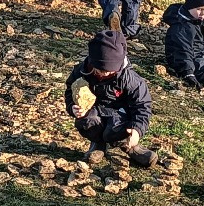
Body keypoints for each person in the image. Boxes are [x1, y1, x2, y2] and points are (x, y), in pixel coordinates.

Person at [65, 29, 156, 167]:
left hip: (121, 114)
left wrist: (137, 129)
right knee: (87, 121)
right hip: (96, 110)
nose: (104, 73)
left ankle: (130, 146)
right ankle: (97, 143)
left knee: (113, 129)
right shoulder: (83, 71)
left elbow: (142, 105)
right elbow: (70, 89)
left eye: (109, 70)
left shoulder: (130, 79)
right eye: (100, 70)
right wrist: (72, 106)